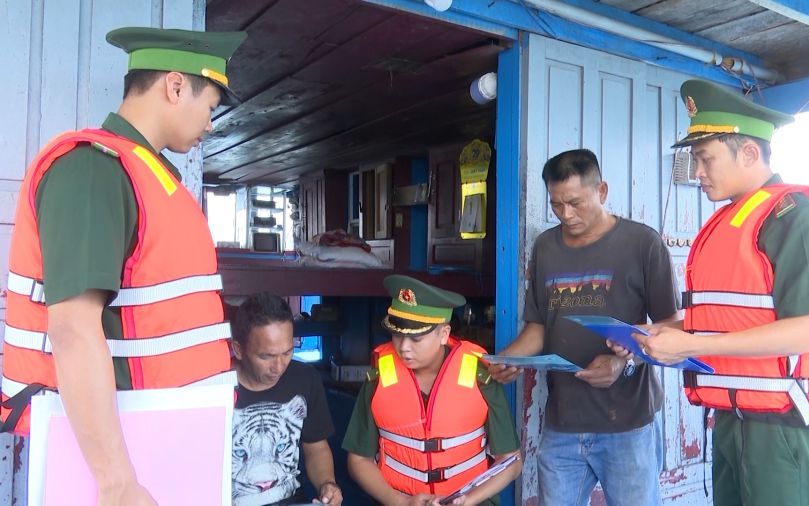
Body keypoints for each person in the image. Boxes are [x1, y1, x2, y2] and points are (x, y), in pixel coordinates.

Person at [0, 27, 247, 505]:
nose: (210, 125)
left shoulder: (146, 174)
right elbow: (72, 328)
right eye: (211, 106)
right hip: (111, 461)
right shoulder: (92, 169)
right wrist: (116, 483)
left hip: (157, 441)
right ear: (175, 86)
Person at [633, 79, 809, 506]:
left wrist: (690, 343)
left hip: (785, 426)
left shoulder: (798, 218)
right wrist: (651, 335)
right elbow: (724, 317)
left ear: (749, 152)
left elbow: (806, 333)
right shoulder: (732, 220)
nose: (696, 173)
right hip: (734, 419)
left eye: (705, 159)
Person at [490, 149, 679, 506]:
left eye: (575, 202)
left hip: (628, 422)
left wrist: (623, 362)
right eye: (556, 205)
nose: (566, 214)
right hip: (563, 422)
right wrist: (510, 359)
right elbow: (539, 327)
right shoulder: (546, 246)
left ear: (602, 191)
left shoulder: (642, 244)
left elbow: (672, 328)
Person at [343, 275, 521, 506]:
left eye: (416, 339)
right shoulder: (379, 377)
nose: (404, 347)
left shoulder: (481, 376)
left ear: (444, 334)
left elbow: (512, 461)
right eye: (397, 335)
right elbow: (358, 459)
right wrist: (401, 501)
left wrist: (469, 500)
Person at [231, 292, 343, 506]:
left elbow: (317, 447)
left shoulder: (305, 379)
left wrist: (327, 484)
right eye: (267, 356)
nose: (279, 366)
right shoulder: (215, 386)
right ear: (238, 349)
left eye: (287, 352)